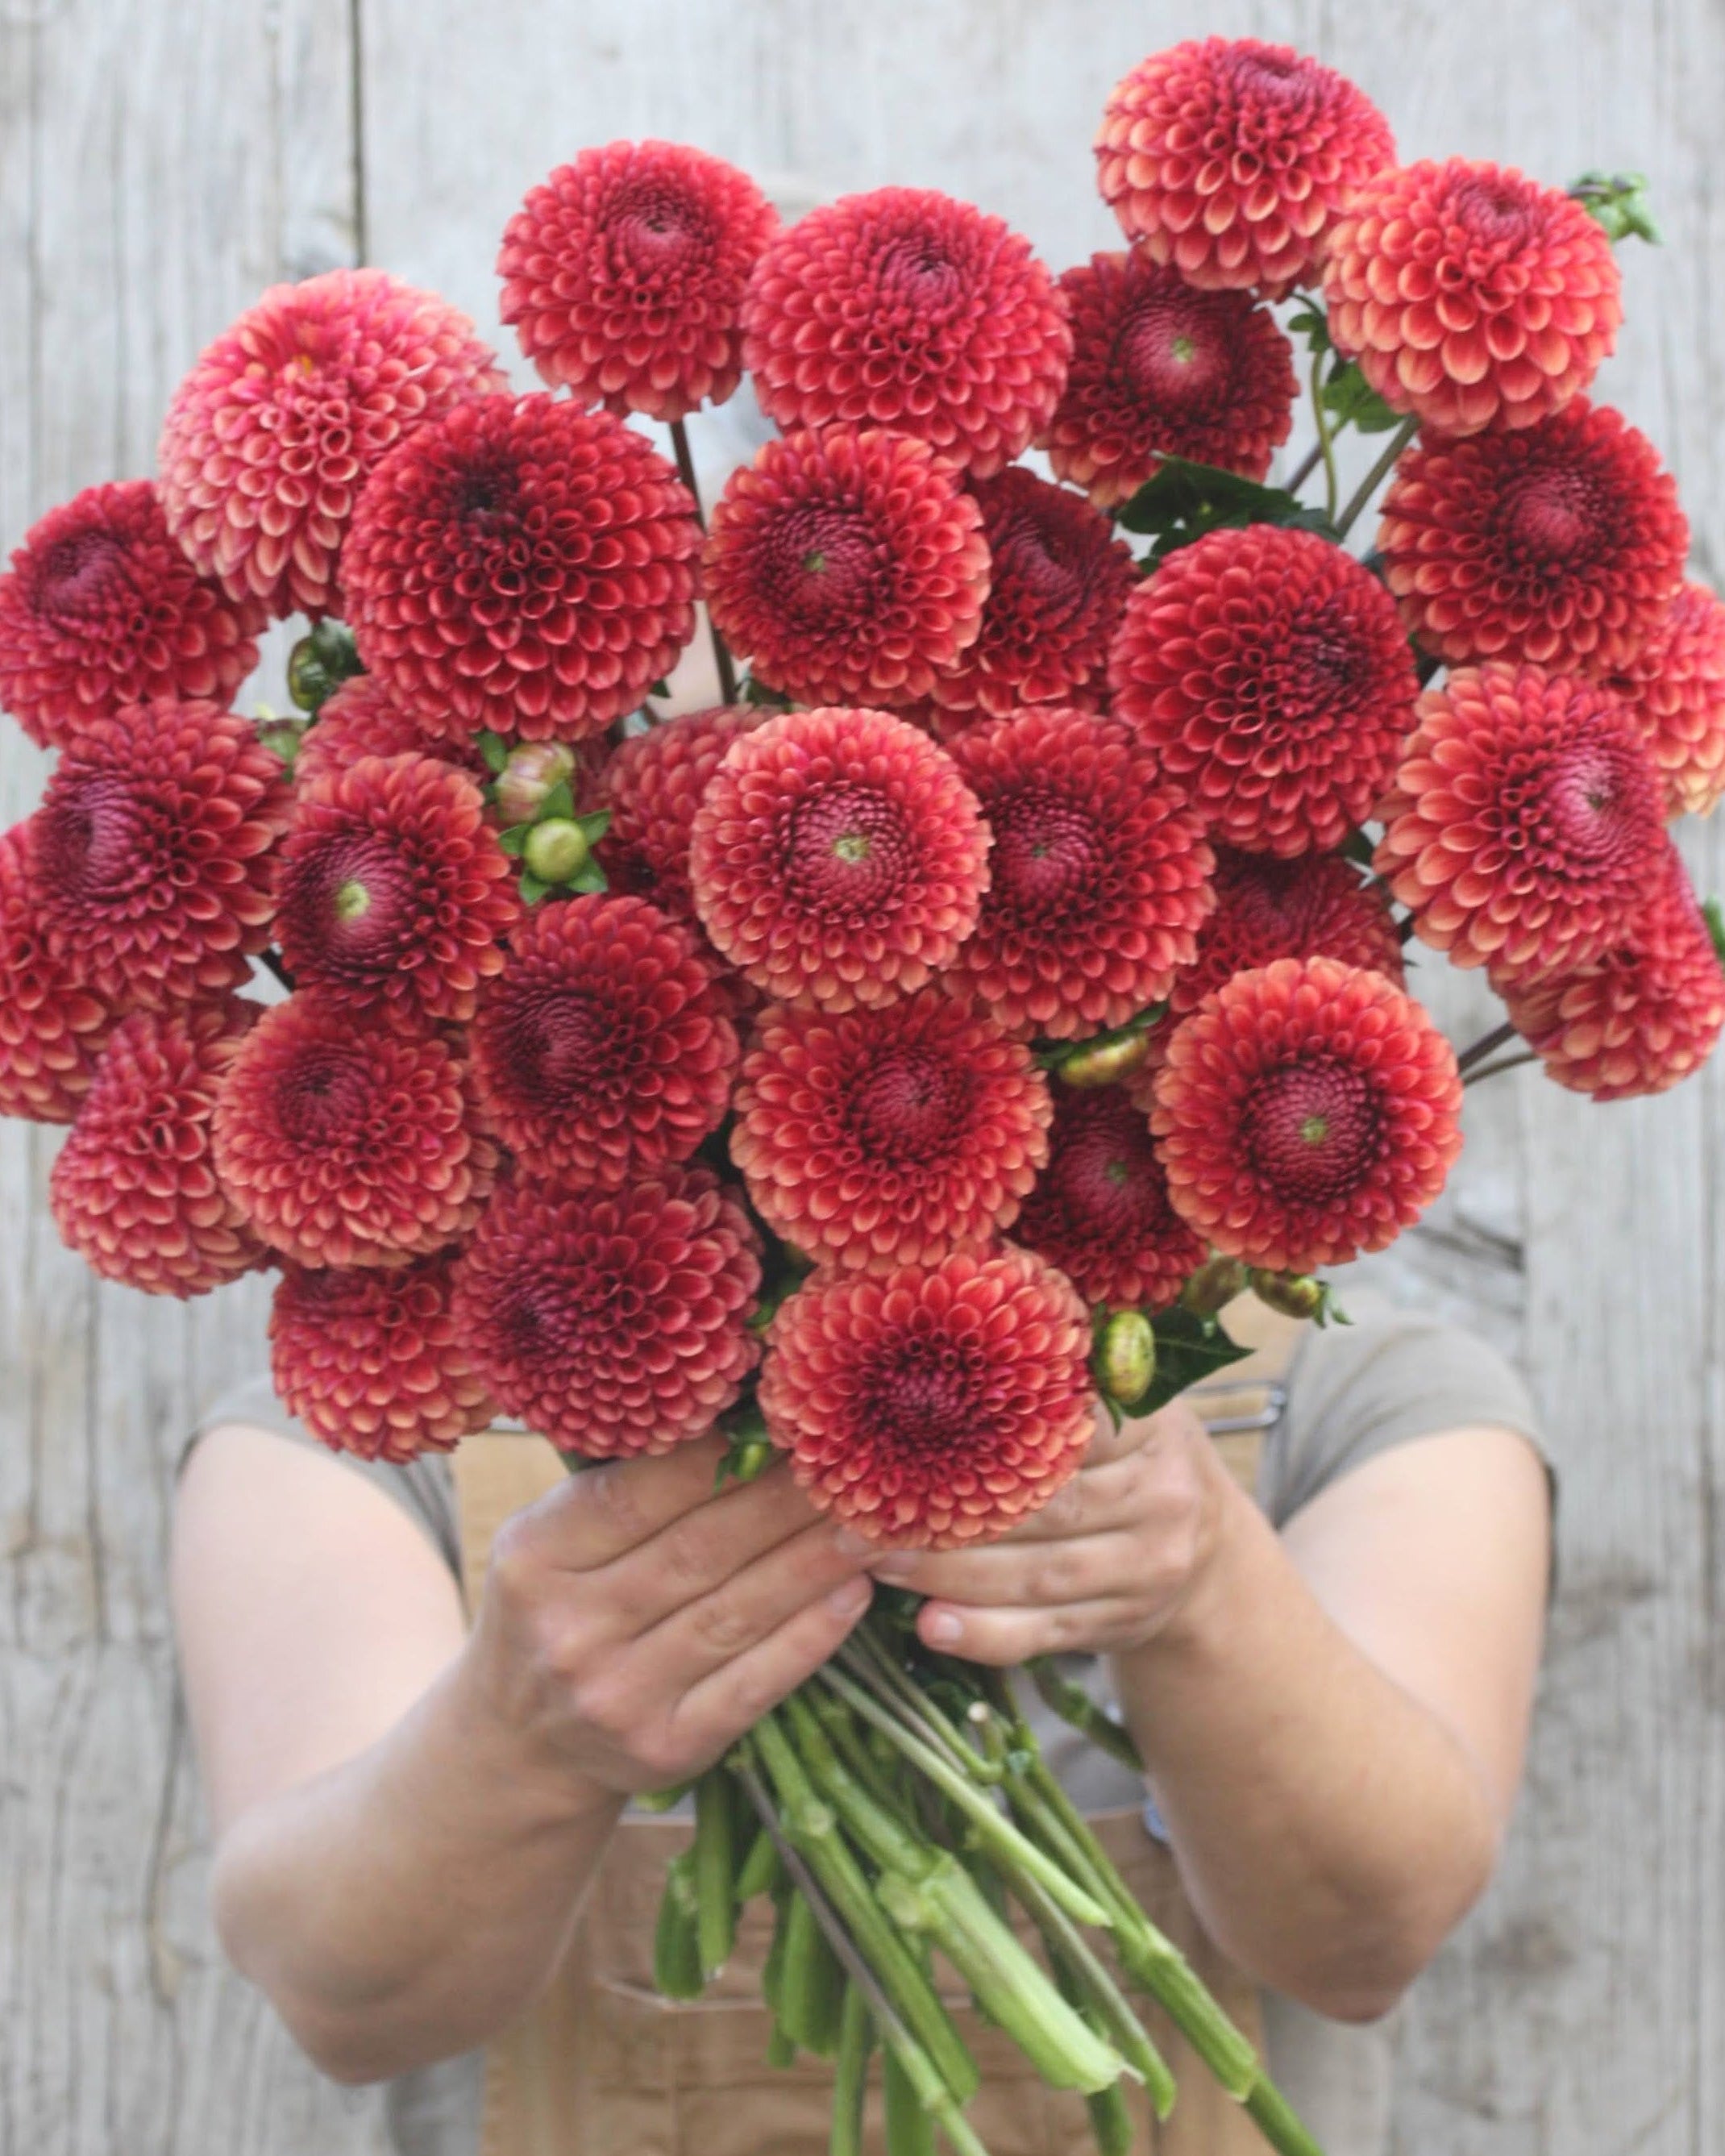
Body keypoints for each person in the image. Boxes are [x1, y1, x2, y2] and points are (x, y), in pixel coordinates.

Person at [172, 1292, 1551, 2155]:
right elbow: (341, 1993)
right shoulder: (374, 1424)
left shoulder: (1357, 1398)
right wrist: (521, 1734)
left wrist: (1203, 1586)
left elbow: (1371, 1933)